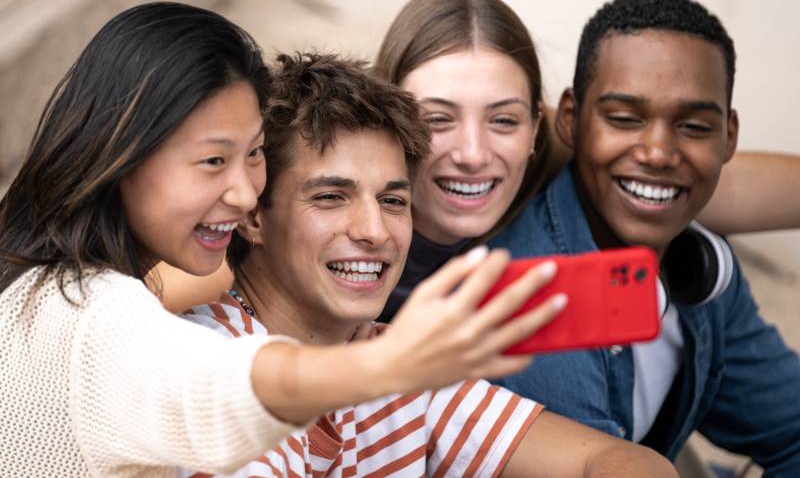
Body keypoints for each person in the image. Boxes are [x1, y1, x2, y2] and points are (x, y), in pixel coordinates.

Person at [0, 3, 576, 477]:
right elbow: (218, 391)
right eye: (211, 160)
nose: (246, 191)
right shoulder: (85, 310)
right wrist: (390, 365)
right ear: (123, 157)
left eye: (252, 155)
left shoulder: (90, 289)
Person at [179, 52, 677, 478]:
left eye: (394, 201)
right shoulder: (208, 364)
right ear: (253, 218)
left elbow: (615, 461)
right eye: (331, 196)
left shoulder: (394, 362)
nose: (374, 230)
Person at [158, 0, 800, 315]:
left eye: (503, 119)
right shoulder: (296, 212)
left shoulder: (559, 166)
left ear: (540, 127)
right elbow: (142, 290)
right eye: (437, 118)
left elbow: (715, 178)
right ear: (391, 117)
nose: (472, 153)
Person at [488, 0, 800, 473]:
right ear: (571, 119)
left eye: (694, 126)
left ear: (729, 137)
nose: (657, 152)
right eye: (625, 119)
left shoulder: (704, 266)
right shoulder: (531, 304)